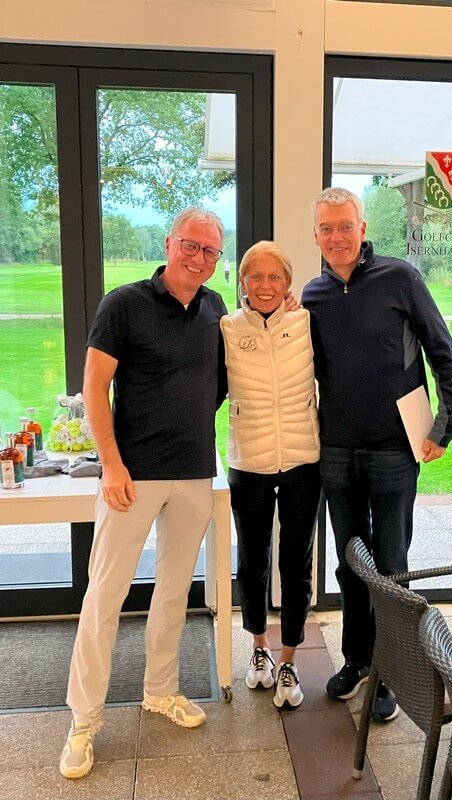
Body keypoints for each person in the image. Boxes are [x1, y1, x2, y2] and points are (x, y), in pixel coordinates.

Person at [59, 207, 228, 780]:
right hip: (131, 476)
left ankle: (161, 690)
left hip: (194, 473)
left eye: (210, 250)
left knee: (175, 590)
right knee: (105, 596)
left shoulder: (215, 308)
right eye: (190, 245)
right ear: (169, 243)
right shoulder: (123, 304)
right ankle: (83, 722)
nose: (198, 258)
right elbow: (94, 388)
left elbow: (217, 385)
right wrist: (110, 465)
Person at [302, 187, 452, 723]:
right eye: (327, 228)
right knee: (351, 563)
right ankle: (357, 660)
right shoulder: (313, 295)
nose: (337, 236)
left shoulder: (400, 278)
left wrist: (445, 423)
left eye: (345, 225)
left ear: (362, 228)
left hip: (395, 448)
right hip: (336, 450)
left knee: (391, 567)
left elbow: (441, 348)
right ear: (316, 235)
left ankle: (392, 672)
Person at [220, 241, 321, 710]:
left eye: (274, 277)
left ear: (288, 283)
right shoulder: (226, 327)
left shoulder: (306, 322)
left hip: (303, 462)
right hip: (248, 464)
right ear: (242, 281)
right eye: (255, 276)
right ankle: (258, 648)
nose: (265, 285)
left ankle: (289, 659)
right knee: (252, 561)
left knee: (296, 564)